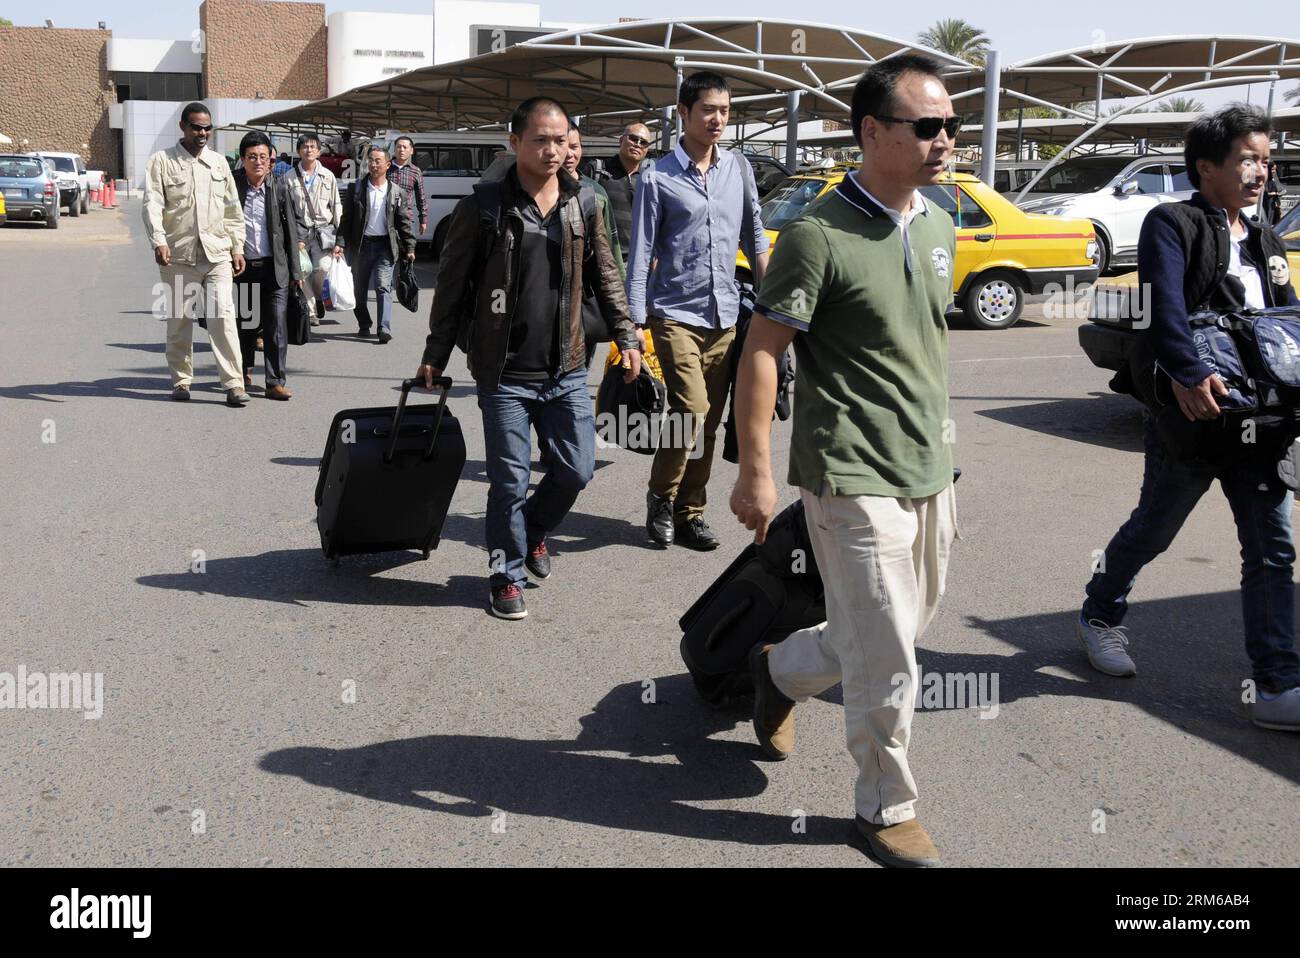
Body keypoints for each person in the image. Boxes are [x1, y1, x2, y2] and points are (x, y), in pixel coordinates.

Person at [730, 55, 961, 867]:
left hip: (929, 468)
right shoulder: (817, 233)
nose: (945, 141)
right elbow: (763, 351)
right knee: (889, 653)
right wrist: (754, 468)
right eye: (927, 127)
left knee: (891, 630)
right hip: (849, 471)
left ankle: (779, 668)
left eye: (950, 126)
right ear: (872, 132)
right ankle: (884, 807)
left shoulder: (939, 221)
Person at [1078, 105, 1300, 731]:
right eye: (1248, 158)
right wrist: (1183, 372)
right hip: (1196, 414)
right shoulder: (1171, 223)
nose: (1262, 170)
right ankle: (1099, 613)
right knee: (1154, 528)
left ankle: (1278, 684)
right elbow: (1163, 309)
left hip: (1264, 420)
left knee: (1273, 549)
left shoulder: (1266, 236)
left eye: (1267, 158)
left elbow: (1286, 320)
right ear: (1207, 167)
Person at [413, 96, 642, 620]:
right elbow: (450, 289)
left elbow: (607, 275)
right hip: (504, 374)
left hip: (565, 369)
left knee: (578, 470)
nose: (552, 149)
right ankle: (504, 572)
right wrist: (435, 354)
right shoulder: (485, 206)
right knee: (509, 480)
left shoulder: (585, 202)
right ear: (514, 142)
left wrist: (628, 337)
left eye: (561, 140)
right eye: (540, 139)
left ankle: (534, 530)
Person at [626, 71, 770, 551]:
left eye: (725, 111)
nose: (718, 119)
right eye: (708, 109)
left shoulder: (739, 169)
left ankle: (691, 511)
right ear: (683, 113)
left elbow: (754, 235)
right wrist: (632, 328)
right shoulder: (657, 176)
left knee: (708, 421)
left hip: (724, 315)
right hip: (673, 313)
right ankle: (660, 498)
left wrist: (771, 304)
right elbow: (641, 254)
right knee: (692, 408)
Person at [142, 101, 249, 407]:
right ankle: (180, 380)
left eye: (207, 128)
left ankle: (233, 384)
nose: (202, 133)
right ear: (183, 127)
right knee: (179, 321)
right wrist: (158, 240)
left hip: (217, 255)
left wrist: (237, 246)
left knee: (223, 318)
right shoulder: (161, 162)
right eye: (196, 127)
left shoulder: (218, 163)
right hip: (179, 255)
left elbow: (232, 209)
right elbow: (152, 204)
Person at [232, 131, 304, 400]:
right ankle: (243, 371)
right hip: (245, 268)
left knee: (276, 327)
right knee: (246, 325)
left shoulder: (280, 186)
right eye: (252, 157)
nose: (258, 162)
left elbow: (292, 231)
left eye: (263, 157)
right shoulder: (233, 185)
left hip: (276, 268)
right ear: (243, 159)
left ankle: (275, 382)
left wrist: (296, 272)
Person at [336, 145, 415, 344]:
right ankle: (364, 322)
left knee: (382, 287)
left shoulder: (396, 192)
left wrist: (410, 247)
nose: (373, 164)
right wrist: (340, 243)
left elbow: (403, 222)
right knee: (359, 292)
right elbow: (346, 220)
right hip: (361, 246)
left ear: (388, 165)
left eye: (378, 160)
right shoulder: (357, 188)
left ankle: (384, 328)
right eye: (370, 160)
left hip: (385, 248)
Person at [284, 132, 342, 324]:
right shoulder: (289, 177)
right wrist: (292, 236)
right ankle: (310, 313)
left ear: (318, 151)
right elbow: (287, 210)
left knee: (322, 268)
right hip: (300, 231)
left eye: (312, 147)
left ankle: (318, 298)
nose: (308, 150)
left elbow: (336, 206)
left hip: (324, 231)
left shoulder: (328, 176)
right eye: (304, 147)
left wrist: (340, 239)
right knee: (302, 271)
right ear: (299, 151)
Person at [601, 121, 653, 262]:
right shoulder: (599, 171)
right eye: (633, 139)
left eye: (643, 143)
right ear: (621, 140)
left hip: (640, 262)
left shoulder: (650, 179)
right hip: (605, 261)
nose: (638, 144)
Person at [389, 135, 428, 242]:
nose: (401, 150)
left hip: (406, 218)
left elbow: (421, 197)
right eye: (399, 147)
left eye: (405, 147)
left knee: (406, 249)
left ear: (411, 151)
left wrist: (423, 220)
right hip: (385, 217)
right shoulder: (385, 168)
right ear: (394, 149)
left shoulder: (416, 171)